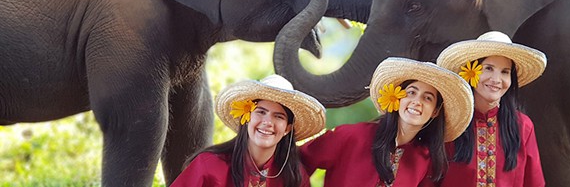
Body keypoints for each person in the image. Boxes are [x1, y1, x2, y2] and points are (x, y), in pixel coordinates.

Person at [299, 57, 474, 186]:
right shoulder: (351, 136)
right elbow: (296, 162)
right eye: (411, 92)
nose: (417, 101)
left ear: (435, 111)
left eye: (427, 98)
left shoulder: (425, 159)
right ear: (397, 98)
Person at [171, 74, 326, 187]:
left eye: (278, 116)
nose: (267, 122)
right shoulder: (208, 165)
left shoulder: (295, 177)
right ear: (246, 117)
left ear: (287, 129)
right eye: (261, 112)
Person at [436, 31, 547, 186]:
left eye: (505, 72)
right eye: (488, 68)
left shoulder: (523, 127)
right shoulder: (449, 123)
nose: (496, 80)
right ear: (471, 72)